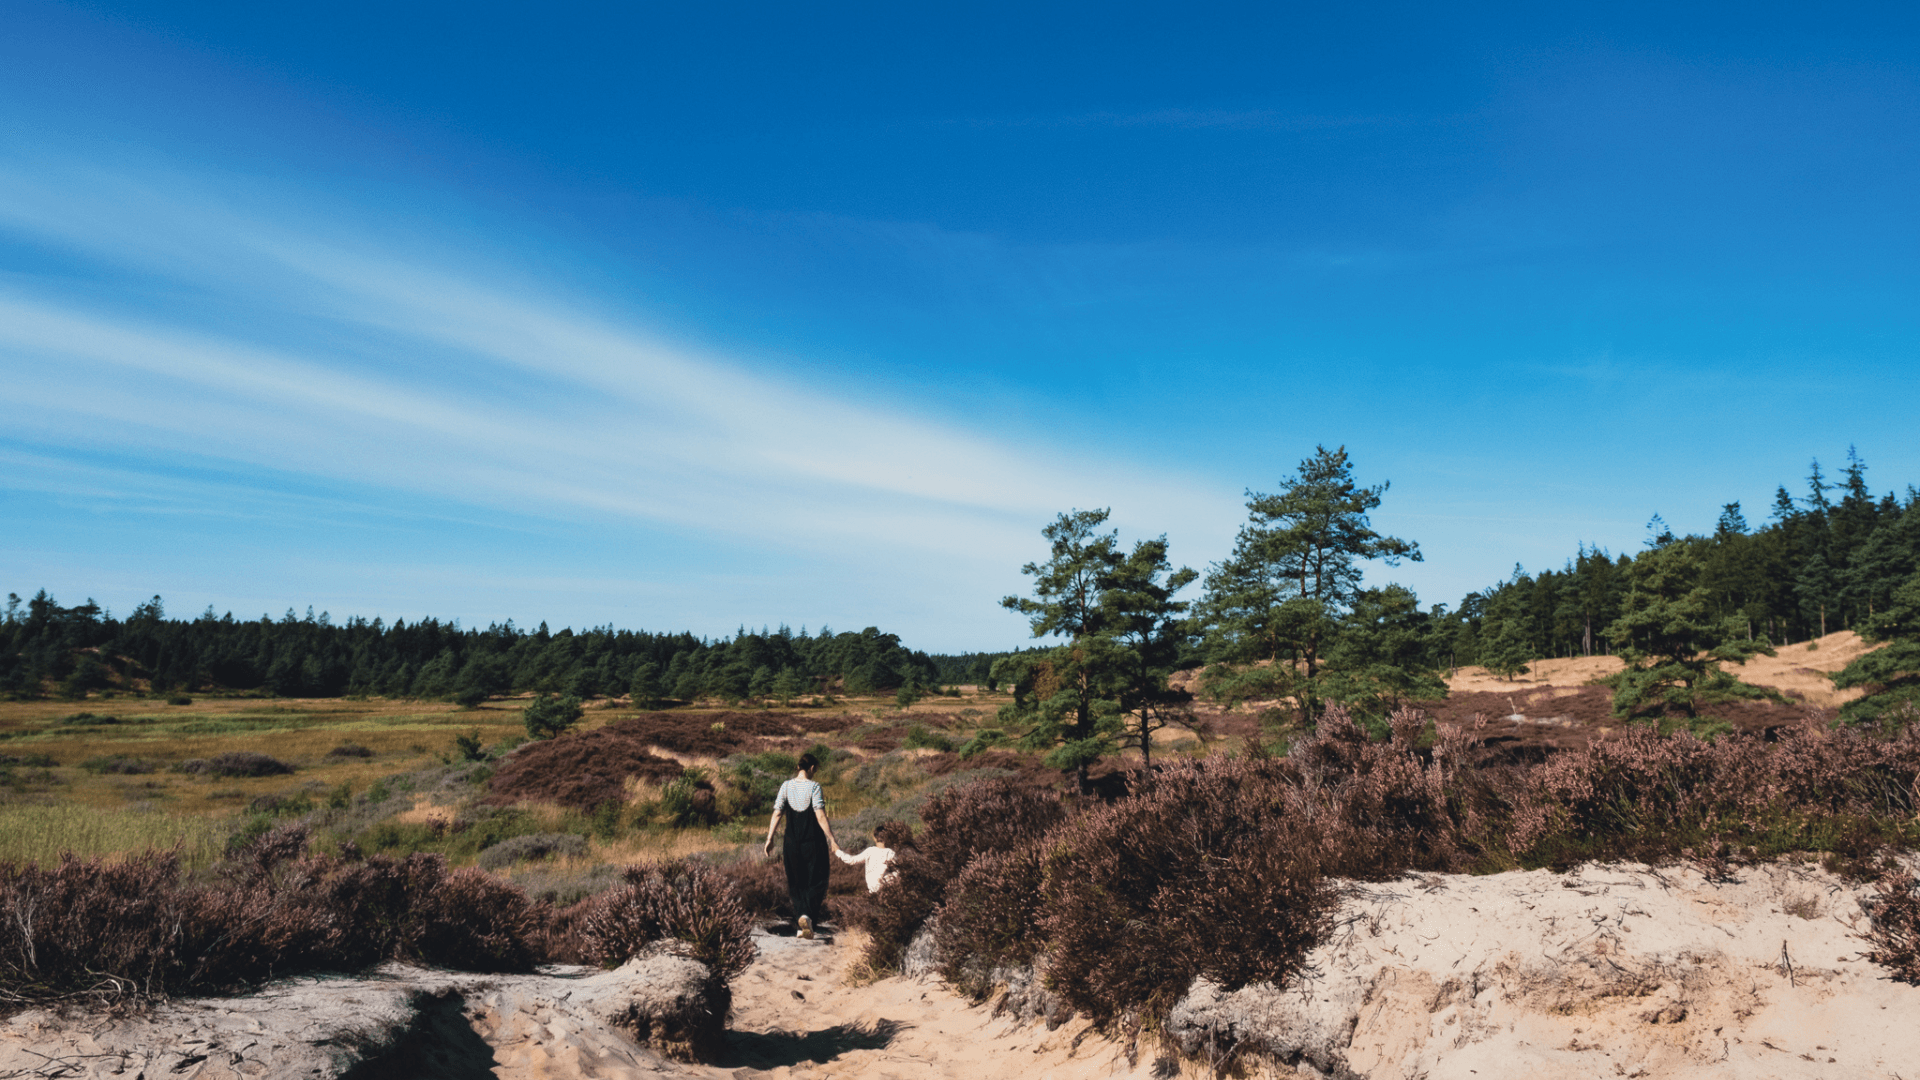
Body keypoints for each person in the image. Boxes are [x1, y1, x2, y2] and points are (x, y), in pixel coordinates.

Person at [763, 753, 841, 939]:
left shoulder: (785, 786)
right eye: (816, 770)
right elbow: (820, 815)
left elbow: (777, 813)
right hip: (813, 842)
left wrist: (769, 838)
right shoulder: (814, 787)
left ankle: (802, 923)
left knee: (796, 882)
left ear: (798, 767)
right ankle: (808, 917)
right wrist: (832, 839)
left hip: (791, 842)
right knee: (818, 879)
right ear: (812, 768)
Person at [835, 820, 905, 893]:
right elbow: (899, 870)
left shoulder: (870, 851)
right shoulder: (890, 853)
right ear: (887, 838)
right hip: (887, 890)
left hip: (873, 890)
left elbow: (852, 860)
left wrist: (838, 851)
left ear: (874, 838)